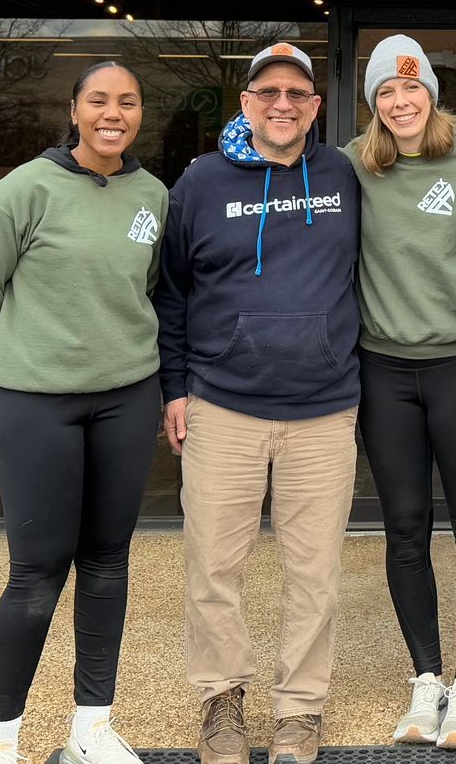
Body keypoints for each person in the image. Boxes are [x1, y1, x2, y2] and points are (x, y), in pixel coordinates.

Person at [0, 61, 170, 764]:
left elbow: (151, 292)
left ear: (140, 114)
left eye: (128, 102)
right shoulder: (24, 191)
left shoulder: (153, 195)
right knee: (37, 572)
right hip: (35, 404)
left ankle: (91, 729)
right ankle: (0, 740)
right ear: (74, 110)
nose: (115, 113)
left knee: (107, 562)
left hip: (126, 398)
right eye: (100, 101)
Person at [157, 43, 361, 764]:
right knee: (213, 568)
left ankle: (300, 712)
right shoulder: (200, 184)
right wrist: (174, 386)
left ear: (314, 105)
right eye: (268, 92)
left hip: (326, 409)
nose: (283, 104)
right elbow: (173, 292)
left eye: (297, 94)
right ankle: (221, 705)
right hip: (223, 406)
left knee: (315, 574)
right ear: (245, 103)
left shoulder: (342, 173)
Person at [341, 35, 456, 749]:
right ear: (373, 103)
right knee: (404, 527)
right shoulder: (351, 165)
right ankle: (426, 679)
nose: (401, 102)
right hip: (383, 370)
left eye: (412, 89)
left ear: (431, 94)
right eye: (386, 92)